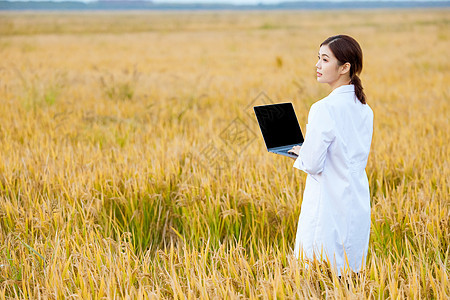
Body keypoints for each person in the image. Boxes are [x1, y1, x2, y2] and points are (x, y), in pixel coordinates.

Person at [287, 35, 373, 276]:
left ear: (345, 67)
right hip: (356, 203)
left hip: (327, 208)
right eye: (318, 58)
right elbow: (346, 154)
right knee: (350, 275)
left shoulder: (323, 108)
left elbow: (314, 164)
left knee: (317, 277)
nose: (317, 65)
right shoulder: (365, 109)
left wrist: (301, 154)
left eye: (325, 59)